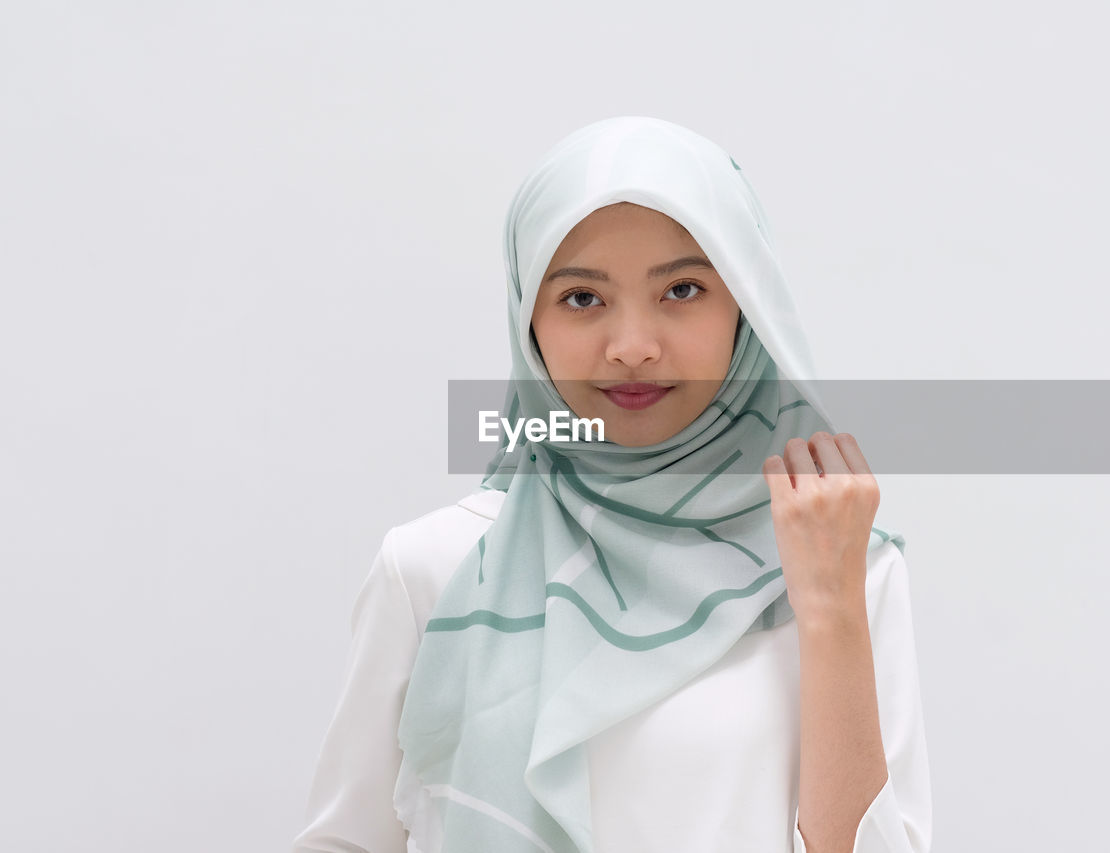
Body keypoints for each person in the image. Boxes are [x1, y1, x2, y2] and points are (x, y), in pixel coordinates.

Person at [291, 116, 932, 853]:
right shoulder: (435, 567)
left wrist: (830, 609)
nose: (632, 346)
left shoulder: (848, 564)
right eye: (582, 298)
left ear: (746, 311)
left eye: (683, 289)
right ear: (529, 321)